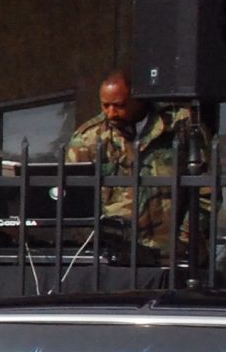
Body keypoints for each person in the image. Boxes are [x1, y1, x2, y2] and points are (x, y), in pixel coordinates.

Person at [62, 71, 212, 268]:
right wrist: (93, 245)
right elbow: (74, 200)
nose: (111, 113)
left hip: (171, 254)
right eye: (105, 105)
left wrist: (186, 240)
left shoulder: (180, 125)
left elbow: (205, 190)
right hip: (113, 257)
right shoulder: (89, 138)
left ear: (138, 99)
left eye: (119, 105)